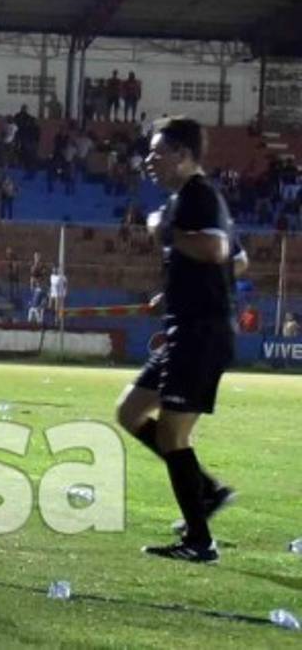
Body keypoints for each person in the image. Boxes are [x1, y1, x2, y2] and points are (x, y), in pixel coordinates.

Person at [115, 117, 247, 563]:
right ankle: (205, 491)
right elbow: (238, 262)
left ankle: (199, 540)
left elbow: (216, 251)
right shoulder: (188, 199)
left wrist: (166, 233)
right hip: (185, 328)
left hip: (200, 333)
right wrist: (176, 288)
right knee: (131, 411)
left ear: (183, 155)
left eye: (157, 152)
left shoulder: (198, 196)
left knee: (172, 433)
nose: (149, 160)